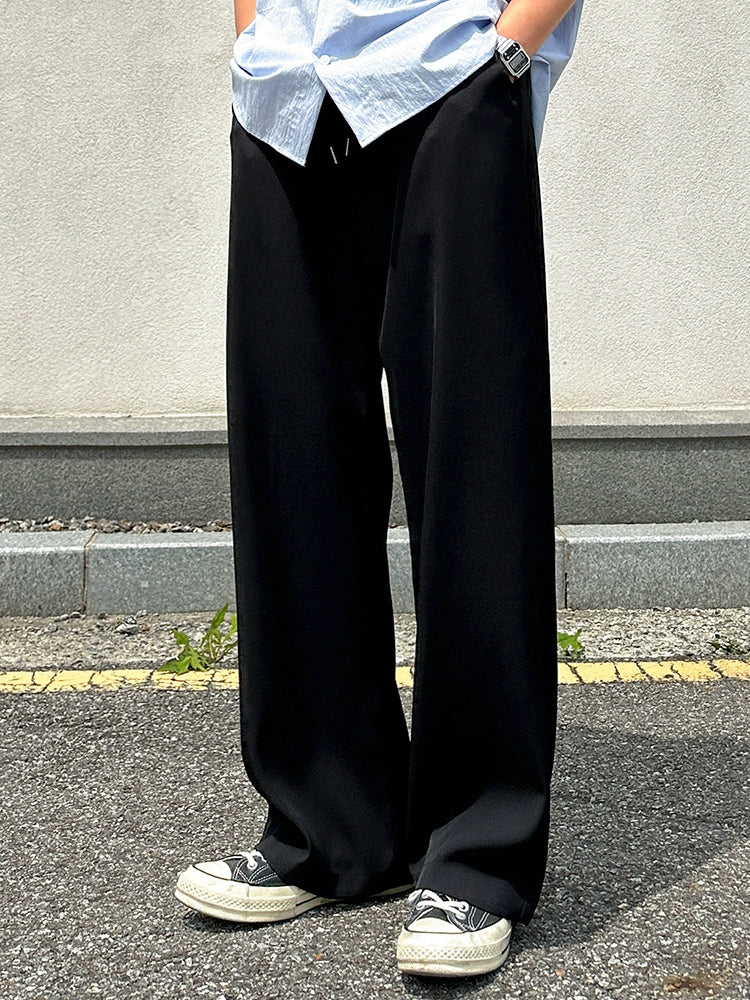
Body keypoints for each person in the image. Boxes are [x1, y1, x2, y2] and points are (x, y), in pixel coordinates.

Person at [175, 0, 584, 979]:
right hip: (285, 92)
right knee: (292, 459)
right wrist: (254, 36)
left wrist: (508, 54)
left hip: (447, 75)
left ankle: (477, 855)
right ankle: (329, 830)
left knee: (474, 473)